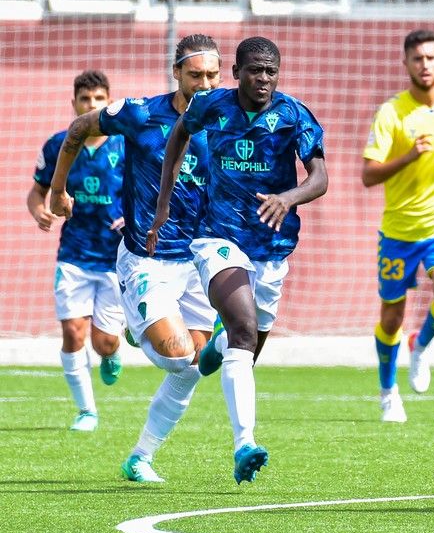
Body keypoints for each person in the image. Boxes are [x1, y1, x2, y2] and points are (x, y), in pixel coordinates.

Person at [149, 36, 327, 483]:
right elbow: (179, 135)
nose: (263, 79)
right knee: (245, 329)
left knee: (246, 347)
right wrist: (166, 197)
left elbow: (320, 177)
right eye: (254, 70)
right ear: (237, 72)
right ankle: (244, 443)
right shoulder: (212, 106)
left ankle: (218, 346)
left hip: (272, 248)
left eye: (270, 71)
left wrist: (289, 197)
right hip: (217, 238)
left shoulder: (293, 116)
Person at [50, 35, 223, 481]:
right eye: (195, 74)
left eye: (211, 75)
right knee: (178, 357)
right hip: (147, 259)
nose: (204, 84)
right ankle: (137, 324)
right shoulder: (140, 113)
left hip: (199, 260)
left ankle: (140, 457)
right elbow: (76, 130)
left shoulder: (228, 120)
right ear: (177, 73)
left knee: (195, 368)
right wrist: (57, 189)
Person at [361, 29, 434, 423]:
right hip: (398, 232)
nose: (425, 65)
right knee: (391, 316)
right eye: (417, 59)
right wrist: (409, 156)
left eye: (431, 58)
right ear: (406, 64)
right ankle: (388, 391)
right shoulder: (391, 113)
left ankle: (421, 344)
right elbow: (368, 175)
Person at [29, 70, 126, 432]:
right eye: (85, 100)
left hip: (116, 259)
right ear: (74, 104)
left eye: (99, 99)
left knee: (103, 342)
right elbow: (37, 193)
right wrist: (39, 211)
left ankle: (112, 352)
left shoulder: (125, 144)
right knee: (73, 333)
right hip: (74, 254)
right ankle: (87, 411)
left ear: (108, 103)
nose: (92, 106)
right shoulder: (58, 145)